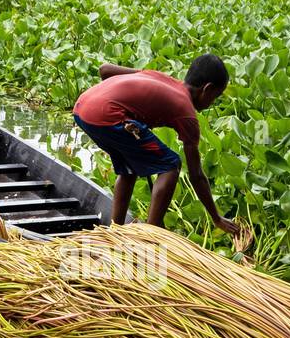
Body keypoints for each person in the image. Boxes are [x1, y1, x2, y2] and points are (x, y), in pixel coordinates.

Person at [73, 54, 240, 234]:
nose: (211, 103)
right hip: (108, 116)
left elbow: (105, 70)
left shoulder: (159, 77)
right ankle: (151, 234)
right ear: (207, 89)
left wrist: (141, 76)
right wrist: (216, 218)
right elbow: (196, 175)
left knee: (129, 168)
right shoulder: (187, 113)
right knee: (171, 165)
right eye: (215, 97)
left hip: (81, 108)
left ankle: (115, 230)